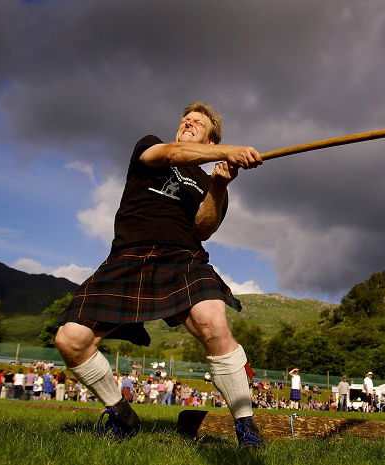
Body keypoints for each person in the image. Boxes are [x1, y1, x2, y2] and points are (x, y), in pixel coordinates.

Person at [54, 102, 263, 445]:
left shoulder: (208, 179)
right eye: (186, 120)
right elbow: (171, 153)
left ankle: (245, 426)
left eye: (197, 123)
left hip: (183, 256)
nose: (188, 123)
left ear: (209, 143)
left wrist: (219, 186)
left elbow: (203, 228)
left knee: (212, 321)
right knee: (70, 341)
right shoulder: (151, 147)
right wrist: (232, 150)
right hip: (128, 255)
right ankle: (121, 413)